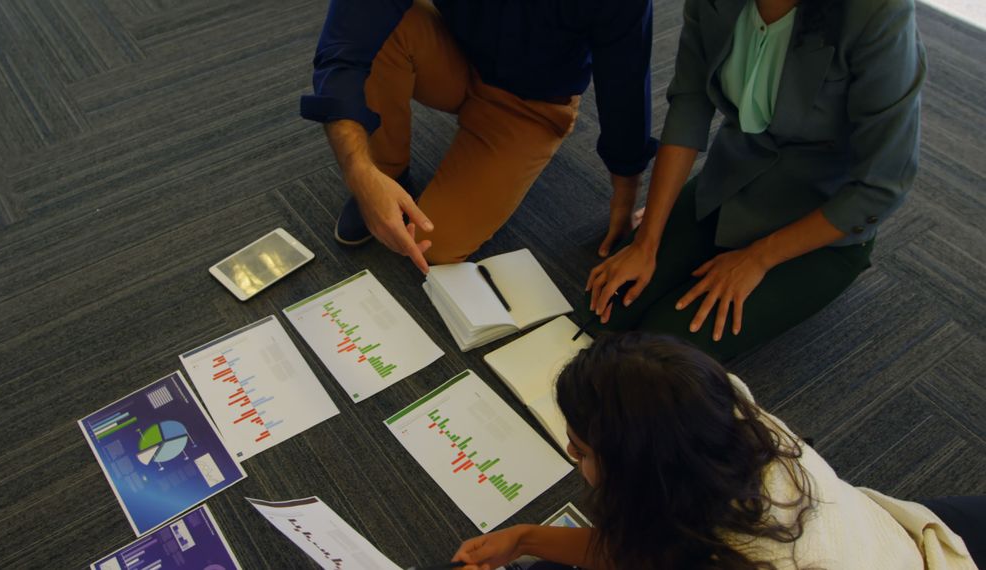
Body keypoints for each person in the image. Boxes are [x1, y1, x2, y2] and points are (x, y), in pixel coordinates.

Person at [452, 333, 981, 569]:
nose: (571, 454)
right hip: (879, 529)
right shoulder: (722, 407)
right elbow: (648, 548)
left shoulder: (741, 560)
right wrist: (524, 539)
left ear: (644, 477)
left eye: (581, 450)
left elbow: (648, 554)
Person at [584, 0, 927, 361]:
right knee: (601, 309)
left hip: (822, 217)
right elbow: (690, 103)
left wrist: (758, 258)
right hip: (731, 181)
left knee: (656, 352)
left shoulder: (878, 11)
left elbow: (883, 185)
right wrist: (647, 241)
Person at [301, 0, 658, 273]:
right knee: (382, 31)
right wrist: (361, 173)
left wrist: (626, 191)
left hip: (531, 102)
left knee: (434, 243)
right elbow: (344, 47)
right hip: (457, 51)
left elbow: (624, 84)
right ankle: (390, 173)